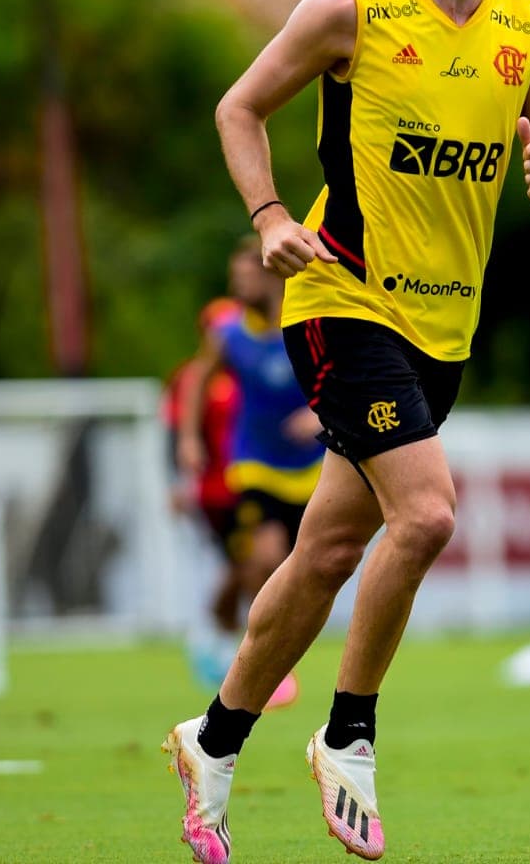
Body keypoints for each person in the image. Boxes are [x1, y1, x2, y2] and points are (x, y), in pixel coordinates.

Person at [162, 0, 530, 863]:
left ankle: (211, 740)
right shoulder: (349, 9)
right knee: (429, 513)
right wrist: (266, 218)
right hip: (340, 299)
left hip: (445, 328)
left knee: (327, 552)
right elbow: (239, 106)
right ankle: (348, 733)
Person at [183, 236, 326, 707]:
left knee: (300, 569)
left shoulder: (306, 321)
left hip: (308, 469)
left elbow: (341, 370)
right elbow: (196, 381)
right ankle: (259, 662)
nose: (236, 284)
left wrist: (320, 414)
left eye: (244, 275)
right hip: (254, 465)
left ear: (269, 274)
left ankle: (233, 642)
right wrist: (188, 439)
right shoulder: (227, 333)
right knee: (264, 560)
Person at [165, 298, 242, 683]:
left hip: (250, 484)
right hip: (212, 491)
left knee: (251, 565)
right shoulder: (191, 379)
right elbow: (176, 434)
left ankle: (220, 640)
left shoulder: (247, 372)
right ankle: (214, 640)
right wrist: (178, 483)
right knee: (235, 566)